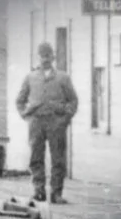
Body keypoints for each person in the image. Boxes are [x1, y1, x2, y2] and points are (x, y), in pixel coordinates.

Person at [13, 48, 79, 203]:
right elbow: (20, 100)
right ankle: (39, 191)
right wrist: (26, 115)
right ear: (38, 58)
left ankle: (56, 194)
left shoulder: (63, 78)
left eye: (48, 55)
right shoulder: (30, 77)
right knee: (36, 158)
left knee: (58, 159)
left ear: (53, 57)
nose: (45, 59)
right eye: (42, 56)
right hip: (36, 123)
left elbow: (73, 100)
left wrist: (65, 118)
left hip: (56, 123)